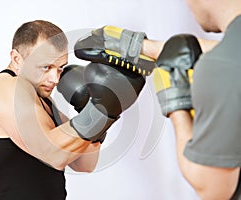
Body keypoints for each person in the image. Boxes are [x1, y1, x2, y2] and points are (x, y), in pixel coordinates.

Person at [74, 2, 241, 197]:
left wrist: (176, 98)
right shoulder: (228, 57)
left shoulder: (223, 68)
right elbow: (230, 55)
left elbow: (213, 188)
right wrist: (145, 48)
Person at [0, 20, 148, 200]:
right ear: (17, 59)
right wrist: (99, 111)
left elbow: (85, 164)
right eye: (46, 67)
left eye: (60, 68)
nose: (55, 79)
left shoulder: (43, 100)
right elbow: (54, 154)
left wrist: (97, 110)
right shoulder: (5, 90)